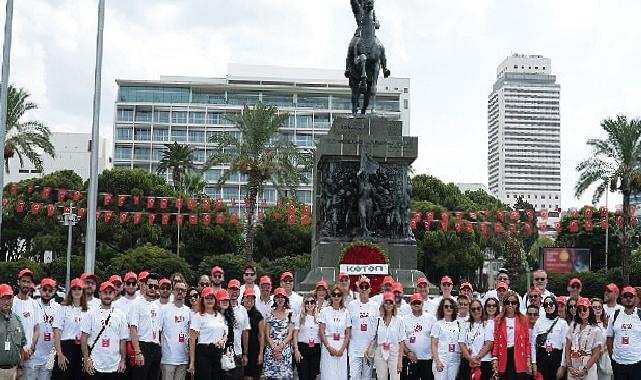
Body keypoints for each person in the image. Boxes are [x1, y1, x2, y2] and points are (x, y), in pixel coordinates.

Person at [80, 281, 128, 378]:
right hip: (95, 364)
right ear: (99, 294)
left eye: (110, 293)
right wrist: (86, 359)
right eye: (105, 293)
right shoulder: (91, 313)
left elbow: (123, 340)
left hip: (115, 365)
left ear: (114, 295)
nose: (107, 296)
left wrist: (123, 360)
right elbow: (84, 338)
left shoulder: (120, 315)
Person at [188, 287, 228, 379]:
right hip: (204, 354)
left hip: (217, 353)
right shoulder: (198, 316)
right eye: (207, 298)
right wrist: (192, 363)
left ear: (215, 300)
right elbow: (192, 340)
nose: (210, 300)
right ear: (202, 300)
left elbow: (225, 333)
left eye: (212, 298)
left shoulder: (220, 316)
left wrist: (223, 340)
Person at [52, 278, 87, 380]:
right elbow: (57, 331)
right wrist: (59, 354)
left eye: (79, 289)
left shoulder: (87, 310)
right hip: (67, 348)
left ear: (83, 291)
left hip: (81, 348)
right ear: (70, 291)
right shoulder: (63, 308)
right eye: (74, 289)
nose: (77, 291)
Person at [492, 291, 532, 380]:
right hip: (504, 354)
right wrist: (495, 357)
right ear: (504, 304)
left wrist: (528, 358)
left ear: (517, 304)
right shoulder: (498, 319)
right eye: (507, 302)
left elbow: (526, 341)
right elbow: (496, 341)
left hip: (519, 354)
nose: (510, 305)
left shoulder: (523, 319)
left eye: (513, 302)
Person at [365, 291, 405, 380]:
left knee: (395, 378)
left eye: (390, 302)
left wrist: (400, 361)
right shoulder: (378, 319)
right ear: (383, 304)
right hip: (380, 351)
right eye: (386, 302)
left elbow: (401, 341)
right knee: (381, 378)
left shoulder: (399, 320)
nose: (388, 304)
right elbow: (373, 337)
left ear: (394, 304)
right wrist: (367, 349)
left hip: (394, 351)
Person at [129, 272, 162, 380]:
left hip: (155, 346)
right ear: (144, 286)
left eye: (155, 286)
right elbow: (133, 329)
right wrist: (138, 351)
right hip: (143, 346)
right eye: (150, 286)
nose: (153, 288)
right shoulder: (136, 304)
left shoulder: (157, 306)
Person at [347, 276, 379, 380]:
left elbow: (378, 327)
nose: (364, 289)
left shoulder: (375, 306)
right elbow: (347, 326)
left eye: (366, 286)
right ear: (358, 288)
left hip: (369, 349)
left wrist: (372, 346)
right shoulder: (351, 305)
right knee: (354, 376)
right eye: (362, 286)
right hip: (354, 348)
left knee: (367, 377)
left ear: (370, 289)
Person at [606, 286, 641, 379]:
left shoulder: (640, 315)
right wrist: (611, 356)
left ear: (636, 298)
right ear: (621, 299)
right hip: (618, 363)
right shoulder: (615, 314)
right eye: (626, 296)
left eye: (631, 296)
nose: (628, 299)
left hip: (636, 363)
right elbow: (609, 336)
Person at [28, 278, 60, 380]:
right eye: (45, 289)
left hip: (48, 356)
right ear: (40, 290)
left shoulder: (58, 307)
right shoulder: (32, 304)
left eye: (50, 291)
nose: (47, 293)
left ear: (54, 292)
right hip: (32, 356)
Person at [159, 280, 191, 380]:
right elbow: (159, 332)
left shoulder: (188, 311)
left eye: (182, 290)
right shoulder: (164, 310)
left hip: (183, 359)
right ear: (173, 291)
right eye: (177, 289)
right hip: (168, 359)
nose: (180, 292)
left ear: (186, 292)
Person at [13, 268, 41, 380]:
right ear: (18, 282)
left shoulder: (34, 304)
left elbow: (37, 329)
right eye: (23, 281)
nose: (26, 284)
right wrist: (21, 350)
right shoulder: (12, 303)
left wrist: (32, 347)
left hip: (30, 355)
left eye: (28, 282)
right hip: (14, 355)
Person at [565, 298, 602, 380]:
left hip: (588, 364)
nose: (582, 312)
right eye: (579, 310)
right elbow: (567, 347)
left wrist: (585, 369)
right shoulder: (573, 326)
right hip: (574, 362)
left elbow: (596, 354)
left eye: (584, 309)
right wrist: (569, 366)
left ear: (590, 310)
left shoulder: (596, 329)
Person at [531, 296, 568, 380]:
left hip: (556, 357)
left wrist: (562, 366)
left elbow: (565, 346)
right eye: (546, 304)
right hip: (542, 357)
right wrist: (534, 363)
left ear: (555, 305)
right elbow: (533, 344)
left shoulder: (562, 323)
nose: (548, 306)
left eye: (551, 304)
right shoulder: (539, 321)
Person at [318, 286, 351, 380]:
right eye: (334, 294)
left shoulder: (346, 312)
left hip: (341, 344)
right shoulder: (324, 311)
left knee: (340, 373)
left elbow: (348, 332)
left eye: (339, 295)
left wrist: (342, 349)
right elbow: (321, 331)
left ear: (342, 297)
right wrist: (328, 347)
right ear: (331, 296)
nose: (336, 297)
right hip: (328, 344)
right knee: (328, 373)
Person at [402, 293, 436, 380]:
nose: (416, 305)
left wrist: (435, 354)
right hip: (410, 358)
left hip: (427, 359)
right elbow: (400, 339)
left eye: (418, 302)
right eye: (414, 303)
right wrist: (408, 352)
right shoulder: (404, 320)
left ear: (422, 303)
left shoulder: (431, 319)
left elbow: (435, 339)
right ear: (410, 304)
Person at [264, 287, 294, 380]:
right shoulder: (270, 313)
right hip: (272, 349)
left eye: (282, 297)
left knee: (285, 377)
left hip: (284, 350)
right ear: (275, 299)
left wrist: (281, 345)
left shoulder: (290, 314)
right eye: (278, 297)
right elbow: (267, 333)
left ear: (285, 299)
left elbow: (290, 334)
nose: (280, 299)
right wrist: (274, 347)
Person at [459, 298, 493, 380]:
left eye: (478, 308)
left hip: (483, 362)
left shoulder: (487, 324)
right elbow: (461, 344)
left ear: (482, 309)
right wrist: (470, 359)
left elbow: (488, 344)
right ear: (470, 311)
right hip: (468, 361)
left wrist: (477, 358)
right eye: (473, 309)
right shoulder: (465, 325)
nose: (476, 311)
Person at [430, 297, 460, 380]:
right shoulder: (437, 324)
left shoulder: (458, 324)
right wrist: (437, 361)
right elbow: (434, 344)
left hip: (454, 360)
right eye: (446, 306)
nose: (449, 308)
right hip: (441, 358)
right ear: (442, 308)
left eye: (451, 306)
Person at [0, 283, 26, 379]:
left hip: (13, 371)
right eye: (3, 298)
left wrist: (20, 367)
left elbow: (21, 345)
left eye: (9, 298)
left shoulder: (17, 319)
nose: (7, 302)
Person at [227, 280, 252, 380]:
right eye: (232, 289)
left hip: (238, 353)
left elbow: (245, 333)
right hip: (224, 353)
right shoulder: (221, 308)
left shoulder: (243, 310)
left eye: (236, 290)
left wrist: (245, 354)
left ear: (239, 292)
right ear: (227, 290)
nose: (234, 292)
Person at [293, 293, 321, 380]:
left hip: (315, 348)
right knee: (303, 375)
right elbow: (295, 334)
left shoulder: (319, 317)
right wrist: (296, 350)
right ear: (304, 304)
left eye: (312, 302)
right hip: (303, 348)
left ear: (315, 304)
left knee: (312, 376)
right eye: (307, 302)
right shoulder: (299, 317)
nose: (309, 305)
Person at [242, 288, 265, 380]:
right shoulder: (238, 311)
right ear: (243, 299)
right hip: (240, 348)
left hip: (254, 350)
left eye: (252, 298)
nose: (249, 301)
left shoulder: (258, 315)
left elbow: (261, 335)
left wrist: (260, 353)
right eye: (247, 298)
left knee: (252, 376)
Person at [590, 298, 612, 380]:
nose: (598, 309)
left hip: (604, 360)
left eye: (599, 307)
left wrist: (604, 349)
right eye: (595, 307)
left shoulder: (607, 325)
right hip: (590, 360)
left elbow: (612, 341)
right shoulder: (586, 325)